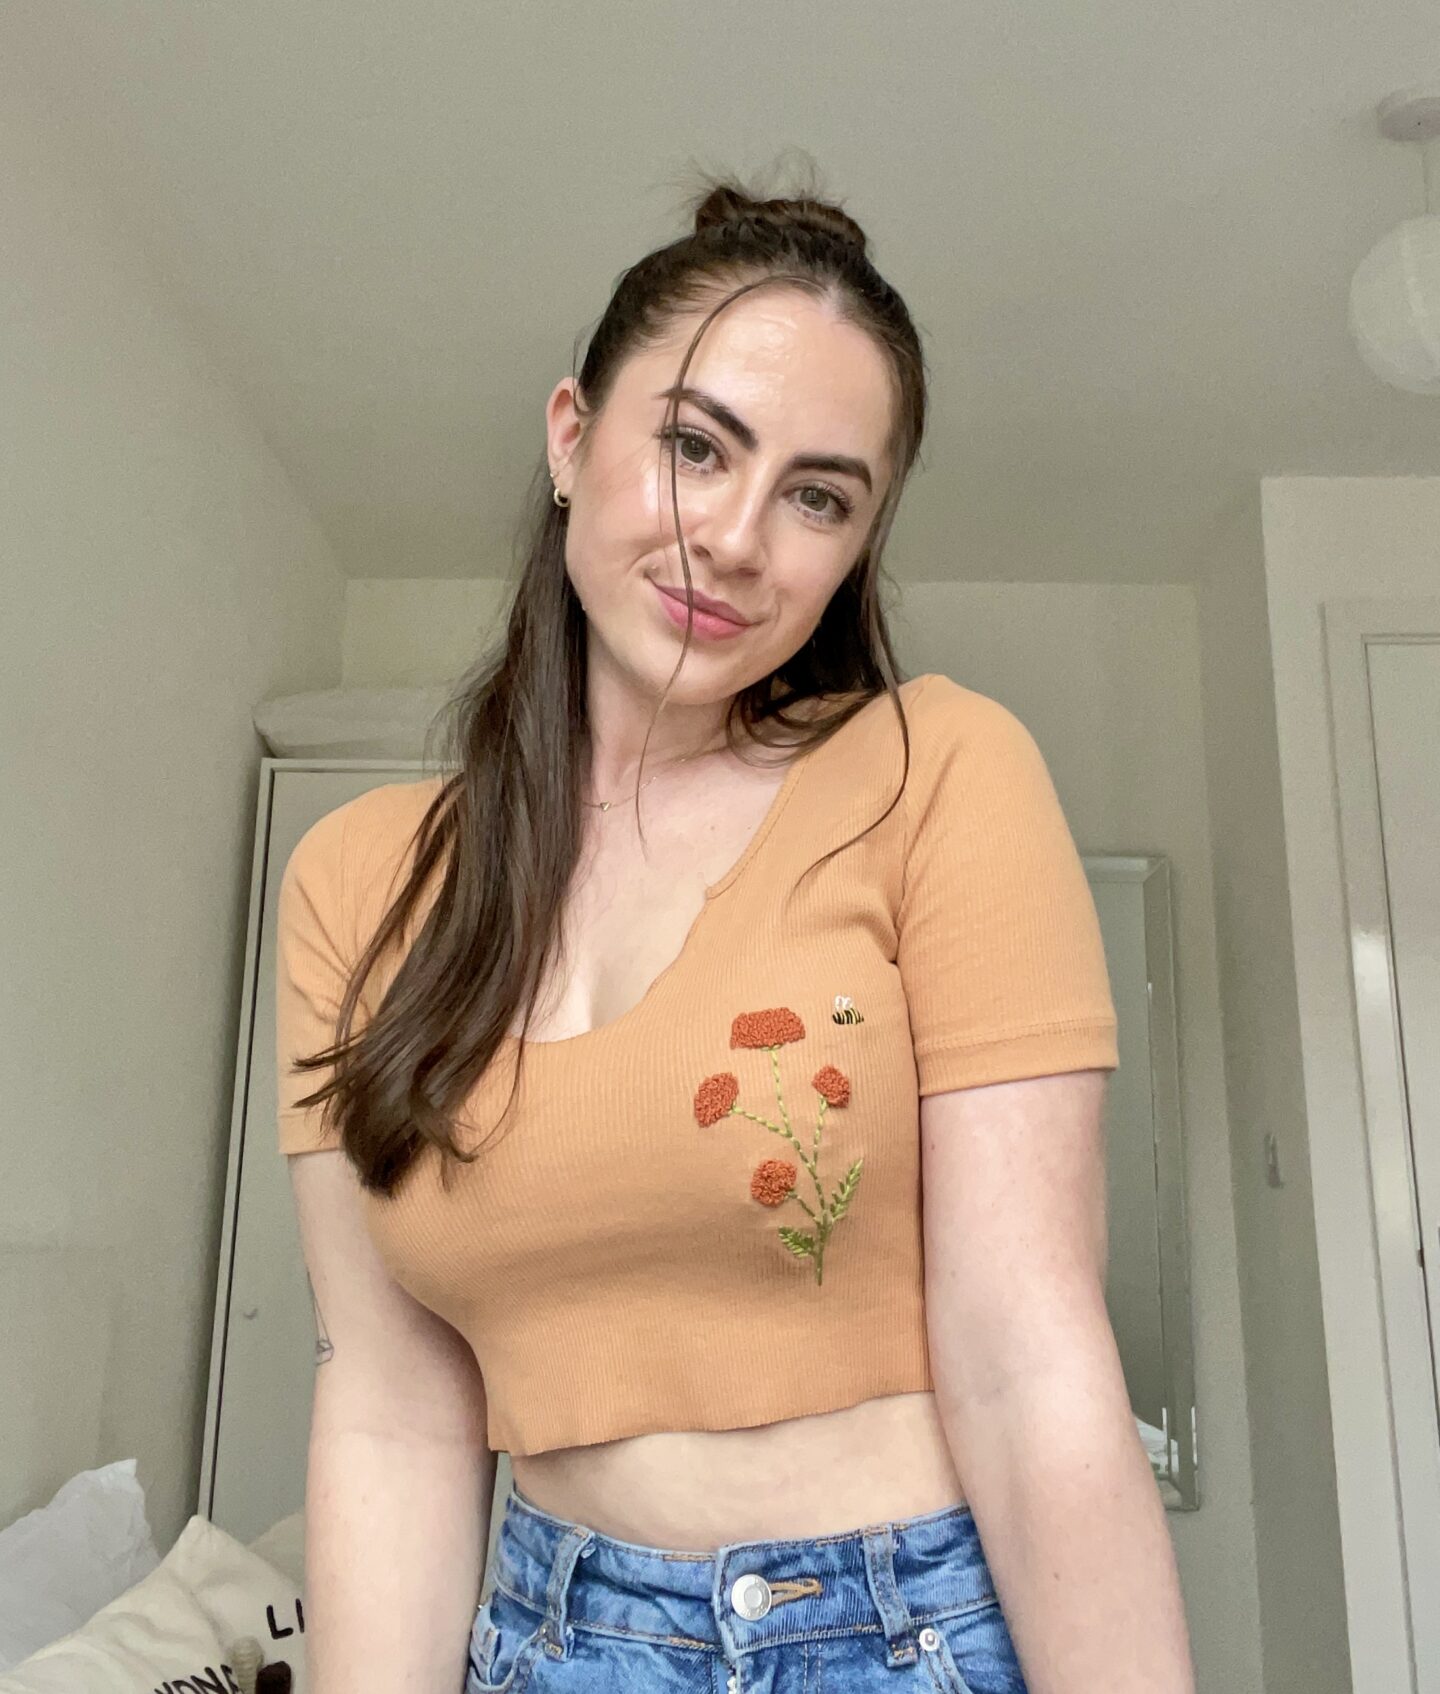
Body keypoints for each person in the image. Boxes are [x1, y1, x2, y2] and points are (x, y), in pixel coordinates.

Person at [275, 167, 1196, 1694]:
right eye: (697, 447)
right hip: (550, 1635)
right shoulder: (353, 884)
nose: (741, 536)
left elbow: (1031, 1362)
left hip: (898, 1633)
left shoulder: (935, 772)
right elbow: (385, 1407)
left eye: (820, 494)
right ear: (572, 438)